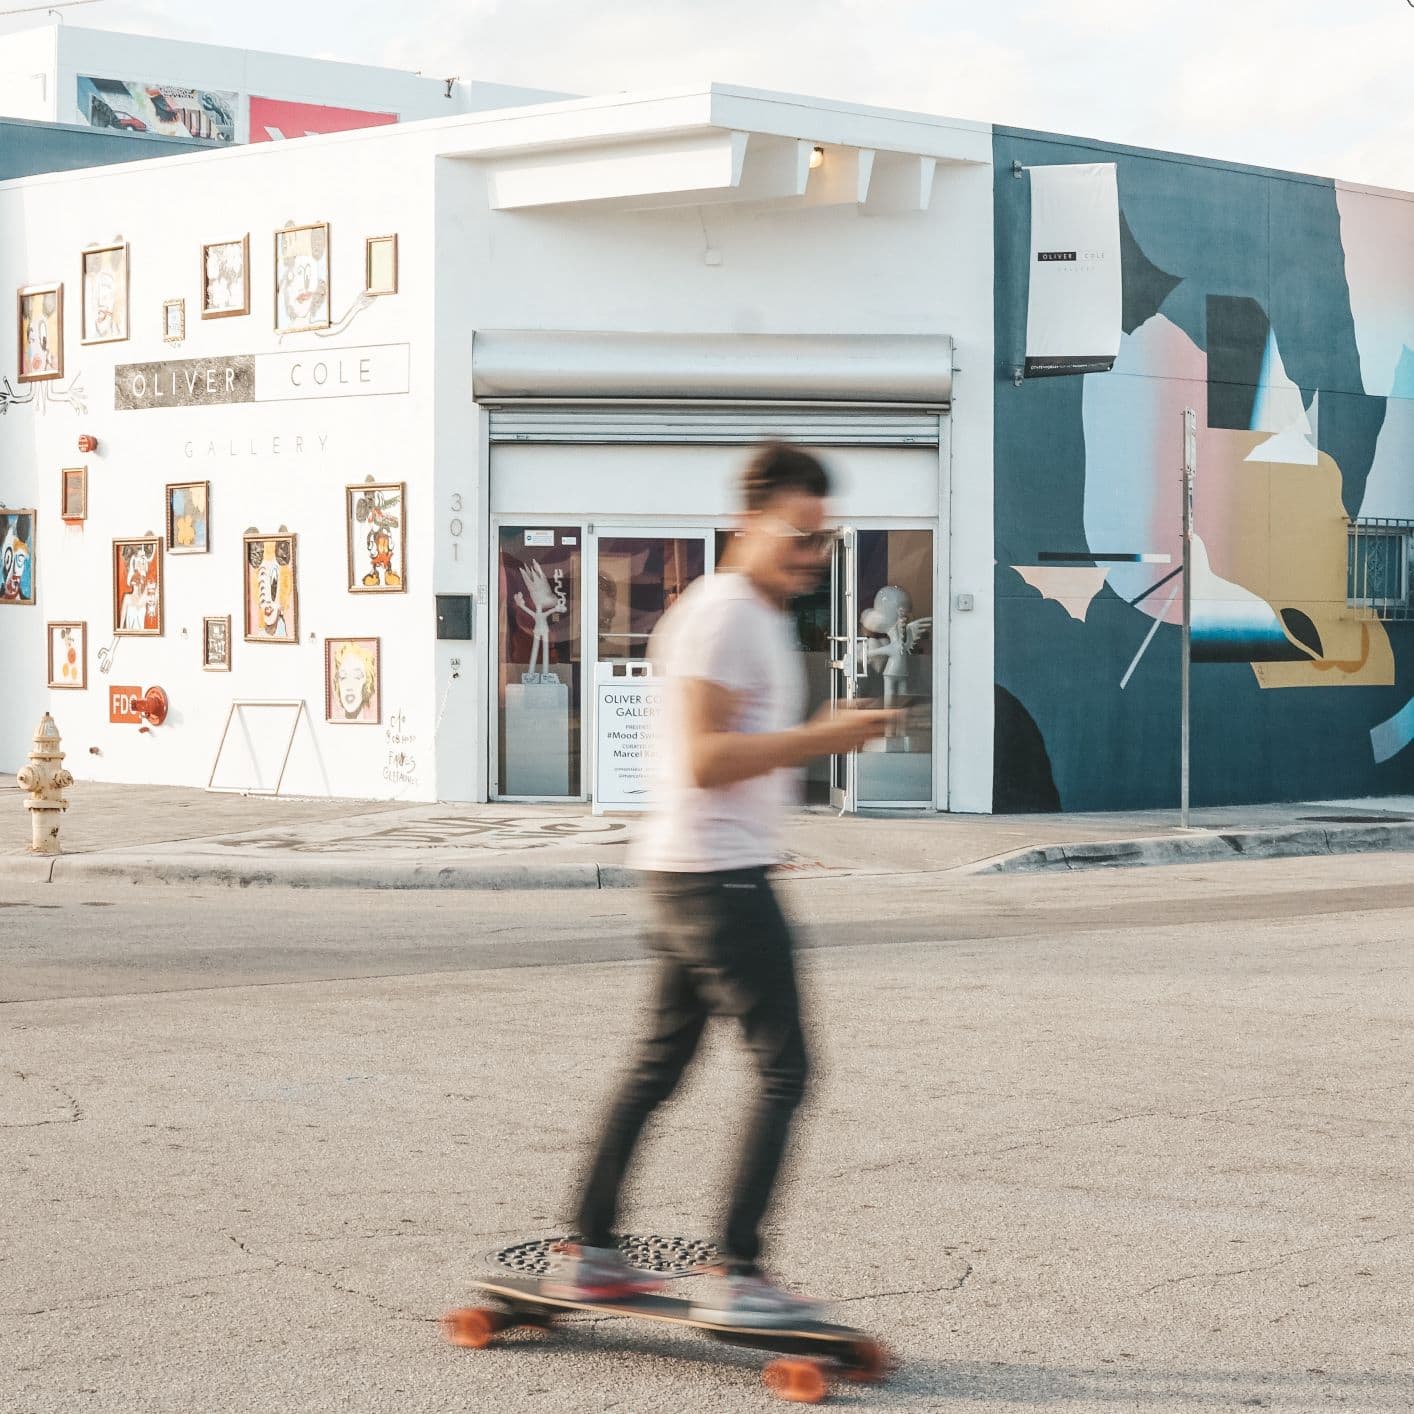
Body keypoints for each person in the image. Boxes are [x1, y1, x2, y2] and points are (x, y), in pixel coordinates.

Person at [544, 442, 897, 1328]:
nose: (812, 555)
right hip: (715, 878)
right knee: (787, 1070)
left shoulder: (744, 613)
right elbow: (704, 759)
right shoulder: (726, 615)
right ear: (750, 522)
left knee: (659, 1066)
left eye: (823, 540)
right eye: (799, 535)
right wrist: (825, 738)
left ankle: (590, 1251)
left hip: (690, 869)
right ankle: (737, 1270)